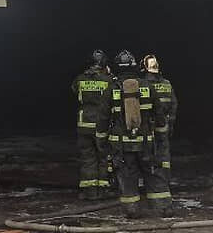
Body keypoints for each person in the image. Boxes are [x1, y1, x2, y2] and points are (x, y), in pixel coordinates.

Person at [106, 50, 173, 218]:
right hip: (146, 143)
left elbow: (102, 120)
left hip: (122, 146)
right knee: (153, 173)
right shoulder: (148, 87)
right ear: (135, 67)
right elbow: (159, 116)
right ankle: (163, 208)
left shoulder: (112, 88)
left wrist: (102, 144)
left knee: (127, 176)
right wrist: (160, 138)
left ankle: (132, 210)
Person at [71, 49, 113, 200]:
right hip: (101, 124)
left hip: (83, 124)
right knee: (104, 157)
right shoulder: (108, 80)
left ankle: (89, 192)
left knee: (87, 158)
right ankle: (103, 190)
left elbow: (74, 90)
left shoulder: (80, 79)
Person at [142, 53, 177, 199]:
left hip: (149, 126)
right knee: (164, 154)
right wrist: (171, 122)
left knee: (149, 153)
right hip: (164, 125)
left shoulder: (144, 84)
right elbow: (174, 104)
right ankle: (165, 180)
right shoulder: (167, 84)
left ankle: (152, 183)